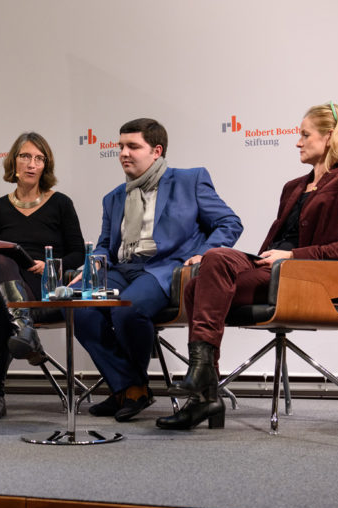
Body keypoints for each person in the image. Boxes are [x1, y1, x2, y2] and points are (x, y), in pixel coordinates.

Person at [157, 102, 338, 430]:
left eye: (305, 135)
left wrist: (293, 257)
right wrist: (270, 258)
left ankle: (205, 393)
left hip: (304, 279)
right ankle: (204, 385)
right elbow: (271, 247)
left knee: (197, 288)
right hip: (270, 267)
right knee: (213, 259)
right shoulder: (293, 187)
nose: (298, 142)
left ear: (331, 136)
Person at [73, 118, 243, 422]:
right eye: (120, 146)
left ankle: (128, 389)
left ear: (156, 151)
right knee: (78, 306)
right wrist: (92, 265)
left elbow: (229, 222)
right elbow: (105, 245)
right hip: (122, 267)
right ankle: (129, 387)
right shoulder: (113, 197)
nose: (123, 153)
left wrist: (204, 254)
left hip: (166, 268)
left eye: (133, 146)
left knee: (127, 309)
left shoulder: (190, 180)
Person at [0, 132, 84, 420]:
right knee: (0, 261)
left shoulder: (61, 203)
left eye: (39, 158)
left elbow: (78, 254)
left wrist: (50, 265)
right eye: (25, 156)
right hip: (3, 275)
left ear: (46, 165)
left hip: (40, 283)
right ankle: (25, 330)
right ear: (14, 162)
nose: (32, 164)